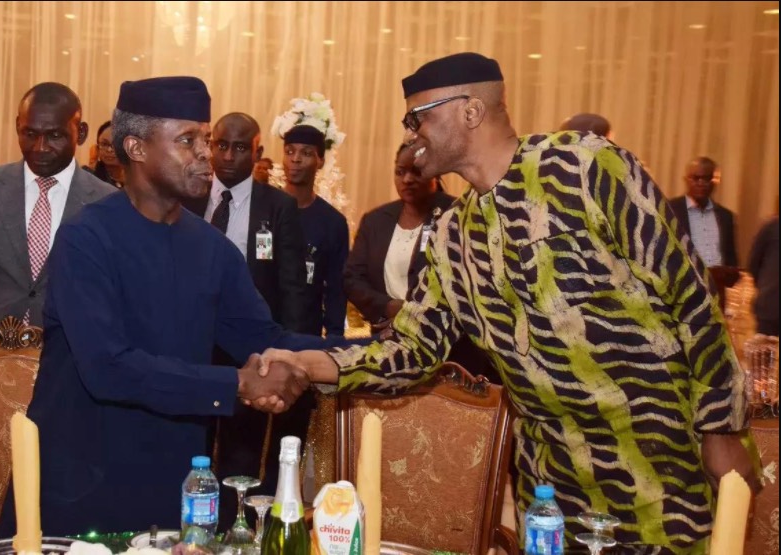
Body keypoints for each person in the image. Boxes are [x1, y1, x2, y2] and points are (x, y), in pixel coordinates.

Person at [263, 53, 759, 553]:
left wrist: (720, 426)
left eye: (419, 119)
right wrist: (309, 364)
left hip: (662, 466)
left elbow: (692, 297)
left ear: (470, 111)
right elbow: (412, 349)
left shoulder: (585, 167)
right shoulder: (452, 236)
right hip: (552, 485)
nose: (412, 136)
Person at [0, 76, 336, 537]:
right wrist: (236, 383)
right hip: (79, 490)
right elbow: (108, 368)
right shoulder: (86, 239)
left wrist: (356, 357)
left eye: (206, 138)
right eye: (187, 140)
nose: (205, 154)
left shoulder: (213, 251)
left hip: (174, 488)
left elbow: (265, 339)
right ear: (135, 147)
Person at [181, 111, 312, 528]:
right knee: (193, 439)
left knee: (242, 444)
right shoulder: (189, 196)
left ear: (257, 152)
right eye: (221, 145)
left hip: (252, 346)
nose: (229, 156)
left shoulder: (279, 206)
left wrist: (287, 349)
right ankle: (191, 521)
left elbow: (292, 284)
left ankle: (233, 526)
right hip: (194, 341)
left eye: (241, 147)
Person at [0, 82, 113, 335]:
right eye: (30, 134)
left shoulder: (107, 203)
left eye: (55, 135)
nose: (40, 147)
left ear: (80, 133)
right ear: (18, 126)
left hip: (67, 357)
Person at [344, 143, 496, 381]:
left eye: (416, 171)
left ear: (435, 172)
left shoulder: (458, 214)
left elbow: (472, 281)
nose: (407, 179)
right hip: (388, 341)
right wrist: (389, 307)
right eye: (400, 171)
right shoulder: (375, 220)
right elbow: (352, 278)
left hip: (450, 350)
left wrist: (417, 315)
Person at [281, 124, 349, 337]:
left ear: (320, 161)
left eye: (307, 153)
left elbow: (336, 289)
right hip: (263, 330)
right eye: (290, 151)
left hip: (306, 334)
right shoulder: (266, 210)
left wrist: (334, 339)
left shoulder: (332, 222)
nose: (296, 159)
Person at [669, 156, 738, 268]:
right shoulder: (670, 210)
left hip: (718, 282)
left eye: (707, 178)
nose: (701, 183)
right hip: (683, 282)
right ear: (686, 179)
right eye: (696, 178)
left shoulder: (726, 216)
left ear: (715, 182)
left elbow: (731, 259)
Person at [748, 214, 779, 336]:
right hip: (770, 308)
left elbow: (753, 266)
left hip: (768, 306)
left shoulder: (771, 227)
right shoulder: (771, 228)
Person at [84, 120, 125, 188]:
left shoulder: (136, 179)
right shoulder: (87, 176)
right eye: (104, 144)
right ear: (97, 148)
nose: (109, 150)